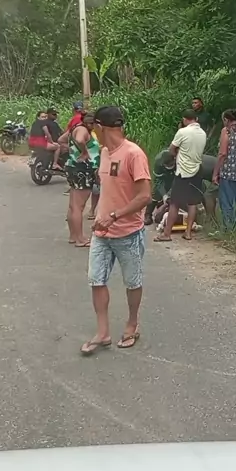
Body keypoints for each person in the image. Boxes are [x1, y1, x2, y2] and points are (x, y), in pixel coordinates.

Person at [81, 105, 151, 356]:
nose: (93, 132)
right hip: (102, 233)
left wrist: (114, 216)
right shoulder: (104, 152)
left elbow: (144, 196)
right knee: (96, 280)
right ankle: (103, 333)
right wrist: (101, 215)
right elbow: (108, 188)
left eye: (94, 127)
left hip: (128, 233)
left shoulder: (134, 154)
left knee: (132, 282)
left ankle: (132, 324)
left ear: (100, 127)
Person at [154, 109, 206, 242]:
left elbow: (171, 150)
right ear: (196, 119)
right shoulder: (202, 133)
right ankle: (188, 233)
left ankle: (166, 234)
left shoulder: (182, 132)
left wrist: (177, 155)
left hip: (183, 172)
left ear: (184, 119)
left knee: (174, 203)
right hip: (197, 170)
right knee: (192, 203)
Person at [65, 112, 100, 247]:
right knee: (78, 207)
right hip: (83, 170)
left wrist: (73, 152)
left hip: (74, 166)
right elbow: (80, 140)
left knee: (73, 205)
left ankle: (73, 236)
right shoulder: (83, 130)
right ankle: (80, 239)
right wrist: (84, 152)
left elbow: (62, 140)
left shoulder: (75, 128)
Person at [144, 149, 176, 226]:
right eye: (167, 165)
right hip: (162, 176)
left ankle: (166, 210)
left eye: (171, 165)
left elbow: (178, 181)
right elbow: (158, 181)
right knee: (156, 192)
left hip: (175, 176)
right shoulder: (158, 163)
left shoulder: (179, 160)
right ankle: (148, 214)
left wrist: (169, 194)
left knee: (174, 192)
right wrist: (164, 195)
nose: (169, 166)